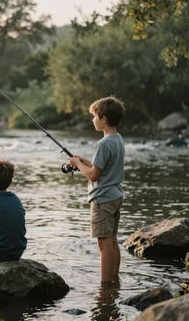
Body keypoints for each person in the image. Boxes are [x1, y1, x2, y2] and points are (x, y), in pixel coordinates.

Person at [68, 96, 125, 287]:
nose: (93, 120)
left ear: (104, 119)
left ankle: (105, 284)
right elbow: (101, 167)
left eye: (94, 116)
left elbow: (93, 175)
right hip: (115, 196)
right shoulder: (117, 139)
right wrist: (82, 160)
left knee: (103, 244)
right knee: (112, 240)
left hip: (102, 199)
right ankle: (114, 278)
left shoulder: (103, 144)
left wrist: (77, 165)